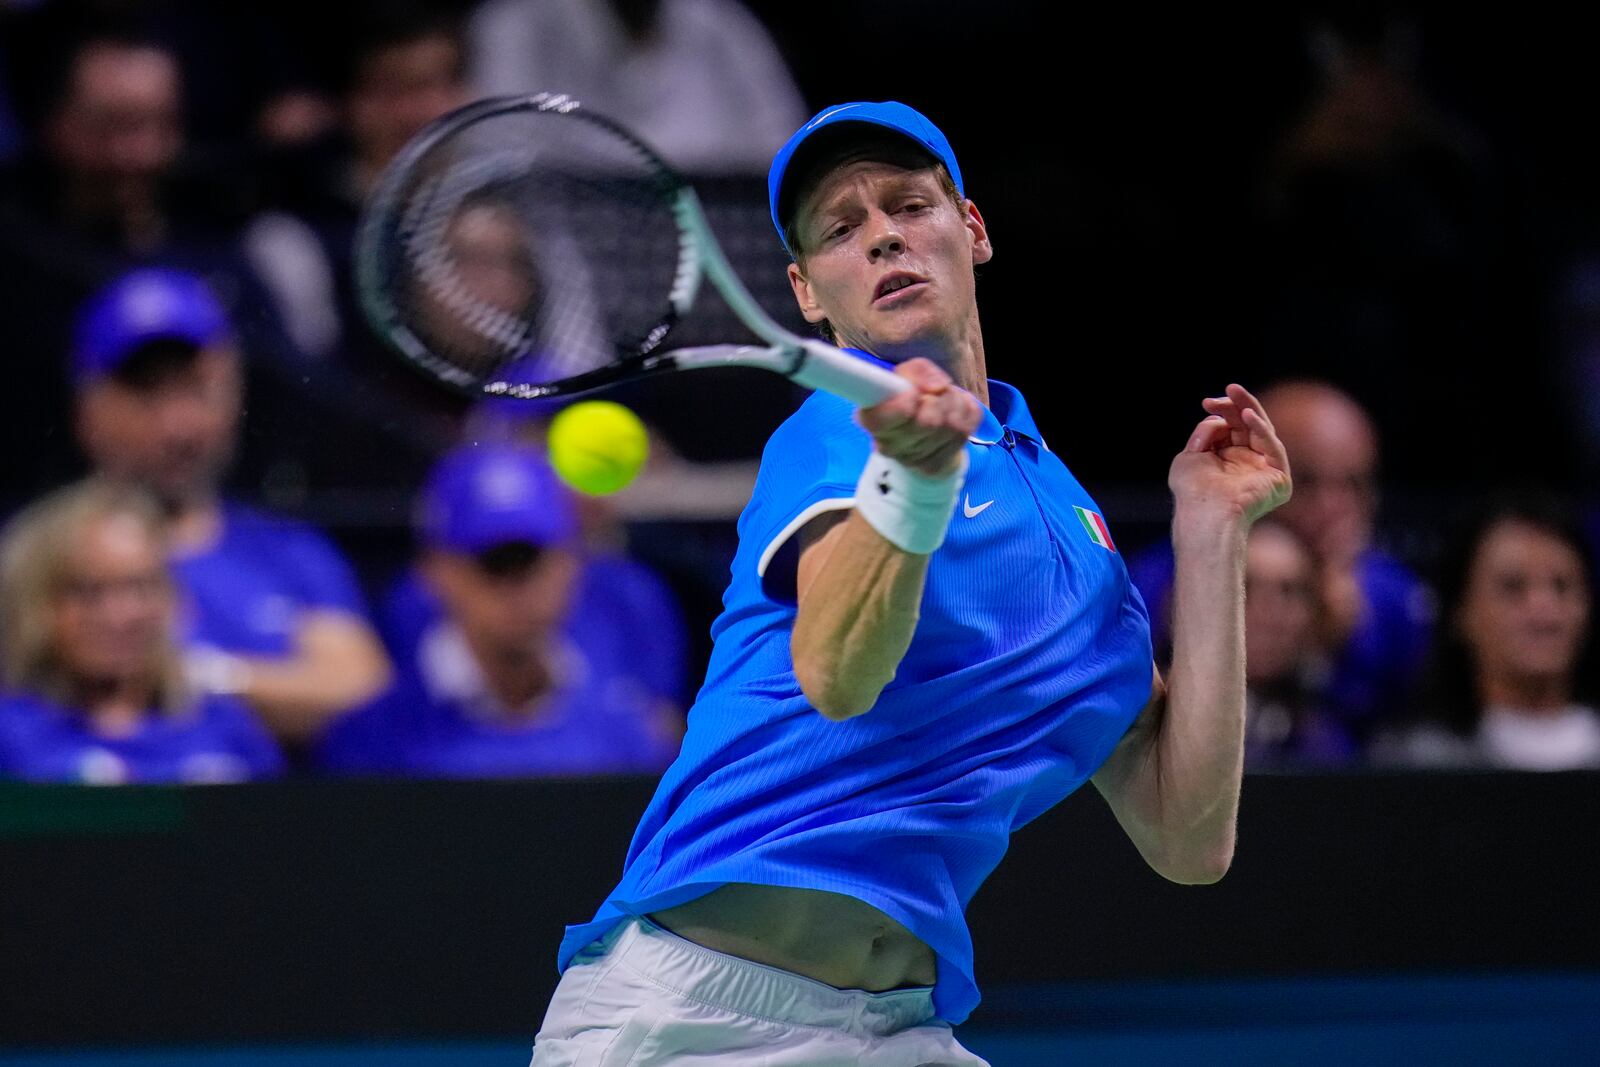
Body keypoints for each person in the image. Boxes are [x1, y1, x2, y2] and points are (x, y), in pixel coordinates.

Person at [529, 102, 1293, 1065]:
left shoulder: (1069, 524)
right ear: (808, 293)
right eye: (841, 230)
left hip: (892, 1030)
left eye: (908, 205)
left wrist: (1212, 534)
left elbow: (1188, 840)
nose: (883, 234)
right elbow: (839, 672)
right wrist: (913, 479)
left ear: (971, 229)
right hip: (692, 1018)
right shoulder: (837, 434)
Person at [71, 268, 390, 746]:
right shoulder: (41, 553)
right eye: (148, 393)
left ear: (232, 391)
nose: (178, 427)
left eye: (195, 388)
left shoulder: (288, 555)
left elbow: (360, 689)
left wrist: (198, 675)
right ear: (89, 410)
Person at [317, 444, 682, 778]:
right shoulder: (373, 737)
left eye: (533, 559)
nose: (517, 586)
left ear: (572, 564)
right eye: (495, 562)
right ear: (436, 573)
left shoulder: (630, 729)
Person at [1128, 379, 1431, 747]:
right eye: (1306, 480)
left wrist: (1341, 643)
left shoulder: (1393, 596)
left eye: (1353, 484)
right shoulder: (1163, 574)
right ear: (1248, 462)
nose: (1332, 507)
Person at [0, 480, 283, 784]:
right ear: (38, 604)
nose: (122, 615)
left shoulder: (226, 727)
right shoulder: (11, 737)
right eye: (89, 592)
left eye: (142, 587)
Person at [1373, 497, 1600, 770]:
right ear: (1460, 611)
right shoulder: (1415, 762)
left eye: (1562, 587)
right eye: (1513, 587)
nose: (1544, 611)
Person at [469, 0, 806, 173]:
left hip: (728, 251)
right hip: (570, 266)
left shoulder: (722, 25)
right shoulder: (515, 29)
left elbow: (785, 155)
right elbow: (499, 165)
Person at [1240, 520, 1356, 767]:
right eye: (1245, 587)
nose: (1267, 611)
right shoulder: (1165, 719)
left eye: (1288, 591)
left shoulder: (1331, 739)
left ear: (1316, 613)